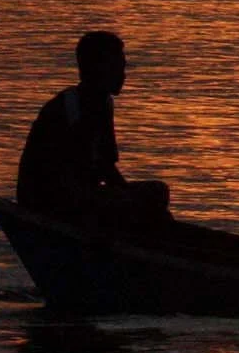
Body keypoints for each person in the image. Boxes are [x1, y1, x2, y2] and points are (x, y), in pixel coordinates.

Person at [16, 31, 170, 226]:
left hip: (77, 193)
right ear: (99, 69)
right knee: (140, 201)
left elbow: (106, 164)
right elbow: (87, 169)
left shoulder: (103, 103)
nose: (123, 75)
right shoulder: (72, 107)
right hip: (49, 199)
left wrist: (129, 194)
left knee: (156, 192)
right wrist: (128, 198)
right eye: (118, 67)